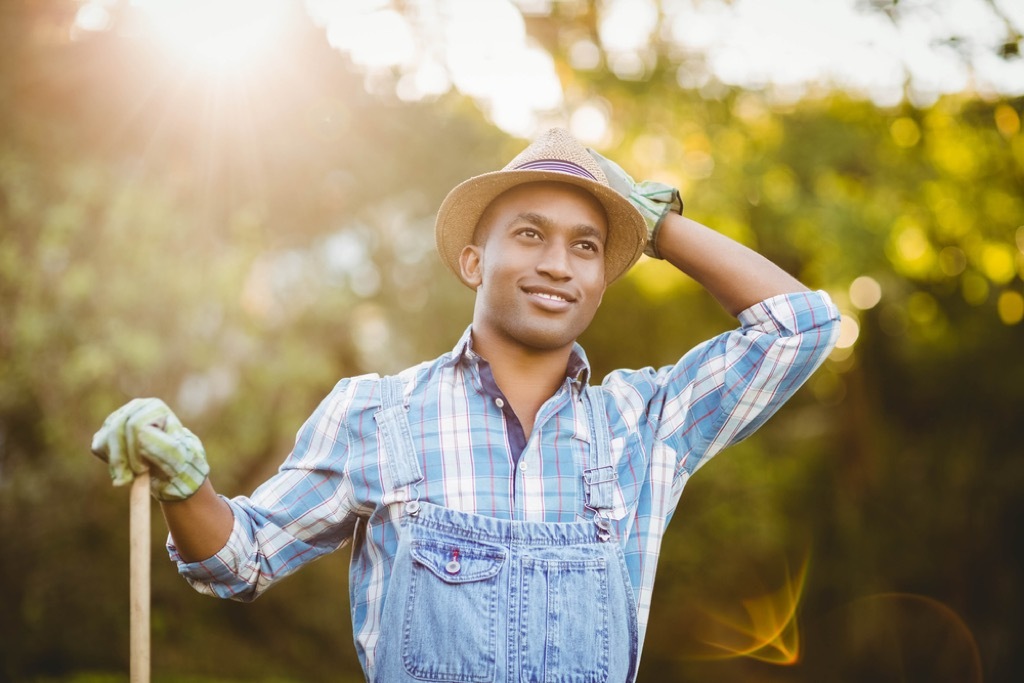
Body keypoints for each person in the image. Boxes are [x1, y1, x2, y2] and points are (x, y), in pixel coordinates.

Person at [92, 128, 840, 682]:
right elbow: (239, 560)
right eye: (529, 234)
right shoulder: (377, 416)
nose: (557, 263)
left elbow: (801, 327)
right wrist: (187, 484)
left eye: (586, 246)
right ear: (473, 261)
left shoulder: (643, 424)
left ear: (604, 279)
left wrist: (656, 227)